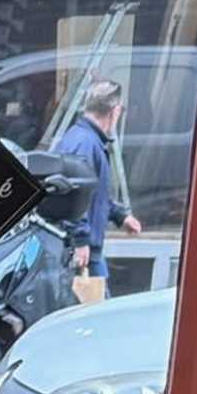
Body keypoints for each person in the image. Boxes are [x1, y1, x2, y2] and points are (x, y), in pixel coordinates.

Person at [47, 76, 144, 275]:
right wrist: (81, 240)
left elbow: (91, 194)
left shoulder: (83, 139)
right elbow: (72, 197)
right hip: (82, 252)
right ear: (114, 111)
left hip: (83, 248)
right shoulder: (86, 144)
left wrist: (119, 215)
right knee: (97, 304)